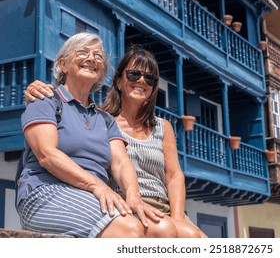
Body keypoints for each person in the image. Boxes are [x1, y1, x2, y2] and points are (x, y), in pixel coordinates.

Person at [24, 45, 207, 238]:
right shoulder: (102, 120)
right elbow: (71, 124)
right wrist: (34, 90)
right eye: (134, 75)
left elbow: (174, 175)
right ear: (119, 81)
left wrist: (178, 216)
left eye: (150, 79)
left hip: (164, 205)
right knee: (182, 236)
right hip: (125, 201)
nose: (142, 81)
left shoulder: (163, 126)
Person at [17, 32, 163, 238]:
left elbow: (121, 163)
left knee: (160, 231)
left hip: (92, 195)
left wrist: (133, 196)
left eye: (98, 56)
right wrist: (97, 185)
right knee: (129, 230)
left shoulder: (105, 119)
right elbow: (47, 155)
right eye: (83, 52)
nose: (92, 58)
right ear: (63, 64)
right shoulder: (45, 100)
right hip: (45, 191)